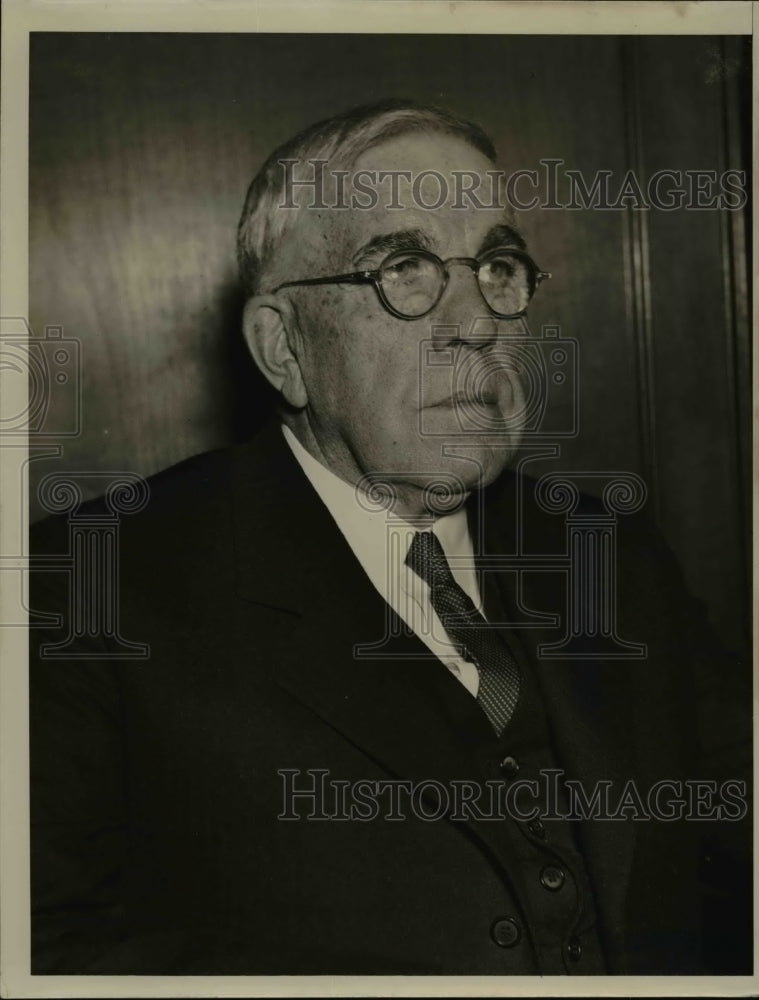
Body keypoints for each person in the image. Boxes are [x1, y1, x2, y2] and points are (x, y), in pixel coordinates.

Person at [29, 99, 751, 976]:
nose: (476, 322)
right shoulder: (88, 585)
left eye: (496, 265)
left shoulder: (608, 550)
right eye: (404, 270)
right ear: (282, 347)